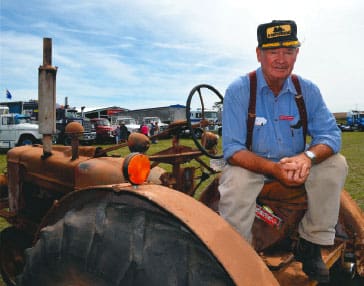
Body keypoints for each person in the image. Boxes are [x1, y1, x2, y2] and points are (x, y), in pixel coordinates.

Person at [218, 20, 348, 283]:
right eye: (272, 51)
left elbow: (330, 134)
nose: (281, 59)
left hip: (295, 164)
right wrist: (272, 169)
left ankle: (311, 243)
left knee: (336, 164)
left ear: (296, 54)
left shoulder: (306, 90)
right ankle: (239, 255)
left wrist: (307, 157)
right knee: (235, 181)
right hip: (253, 166)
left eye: (288, 51)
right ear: (259, 54)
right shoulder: (239, 90)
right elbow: (232, 149)